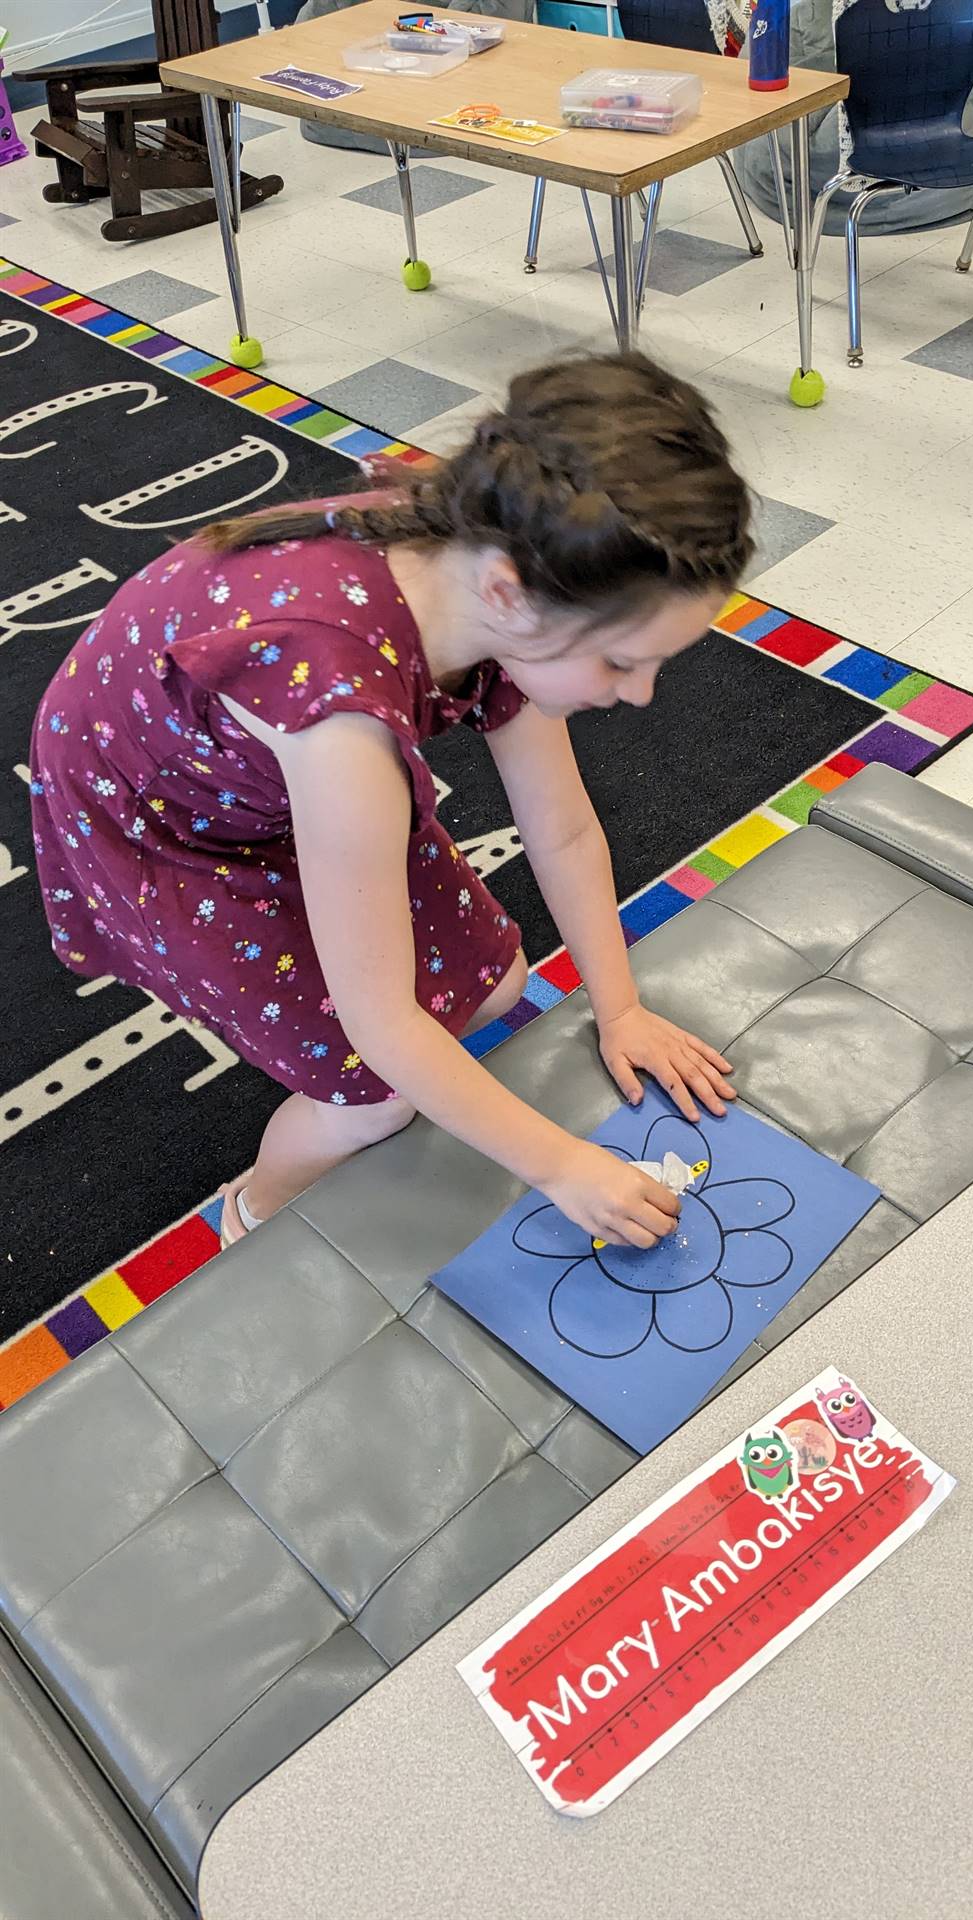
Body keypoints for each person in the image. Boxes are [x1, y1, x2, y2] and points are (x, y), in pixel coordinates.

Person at [30, 351, 753, 1252]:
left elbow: (561, 828)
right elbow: (379, 1027)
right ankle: (254, 1215)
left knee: (495, 985)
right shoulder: (346, 730)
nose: (641, 694)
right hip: (164, 819)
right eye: (621, 661)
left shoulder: (489, 563)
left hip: (264, 756)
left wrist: (621, 1009)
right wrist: (563, 1165)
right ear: (508, 595)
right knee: (374, 1098)